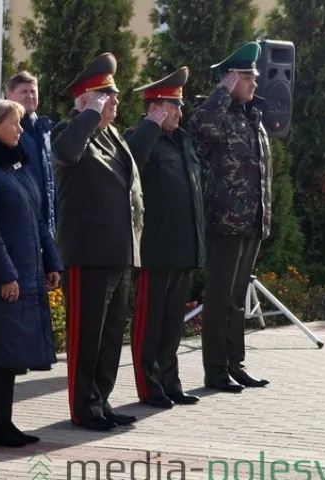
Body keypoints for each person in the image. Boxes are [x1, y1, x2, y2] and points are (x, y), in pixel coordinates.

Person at [0, 99, 63, 447]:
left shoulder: (15, 168)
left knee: (10, 350)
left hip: (24, 271)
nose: (20, 130)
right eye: (13, 124)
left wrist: (52, 262)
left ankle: (4, 419)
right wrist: (5, 273)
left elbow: (36, 220)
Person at [50, 52, 142, 431]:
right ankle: (83, 407)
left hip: (119, 252)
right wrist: (90, 115)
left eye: (115, 96)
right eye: (107, 96)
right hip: (88, 253)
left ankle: (101, 400)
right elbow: (65, 153)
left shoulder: (111, 136)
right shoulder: (69, 131)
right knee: (86, 335)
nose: (115, 102)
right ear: (86, 99)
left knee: (109, 335)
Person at [189, 41, 273, 392]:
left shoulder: (252, 117)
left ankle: (235, 364)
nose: (255, 83)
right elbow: (199, 131)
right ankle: (216, 370)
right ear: (229, 80)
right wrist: (221, 92)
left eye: (254, 77)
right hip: (225, 221)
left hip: (251, 221)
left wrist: (264, 216)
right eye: (247, 77)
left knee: (237, 298)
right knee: (220, 297)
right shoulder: (217, 113)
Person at [123, 66, 204, 408]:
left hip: (182, 247)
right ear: (157, 108)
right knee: (150, 321)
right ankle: (149, 386)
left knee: (172, 324)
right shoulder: (141, 138)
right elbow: (131, 165)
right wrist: (151, 124)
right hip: (156, 248)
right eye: (174, 107)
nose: (180, 113)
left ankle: (171, 382)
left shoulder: (182, 141)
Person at [5, 71, 56, 236]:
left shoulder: (47, 129)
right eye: (24, 92)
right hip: (20, 225)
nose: (30, 96)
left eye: (33, 91)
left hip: (48, 225)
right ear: (9, 95)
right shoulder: (2, 131)